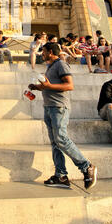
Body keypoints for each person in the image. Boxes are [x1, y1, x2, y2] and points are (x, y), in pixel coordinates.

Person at [28, 42, 97, 190]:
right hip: (49, 107)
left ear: (52, 52)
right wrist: (37, 87)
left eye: (44, 52)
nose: (42, 54)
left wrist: (48, 86)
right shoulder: (50, 67)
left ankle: (86, 166)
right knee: (55, 142)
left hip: (59, 107)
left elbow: (69, 86)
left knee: (61, 139)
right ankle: (61, 175)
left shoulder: (61, 64)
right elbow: (49, 86)